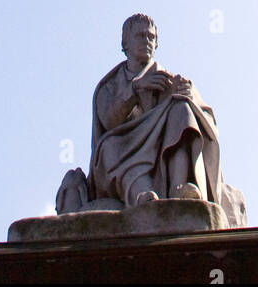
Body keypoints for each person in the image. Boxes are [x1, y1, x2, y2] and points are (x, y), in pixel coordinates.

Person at [84, 14, 245, 222]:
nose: (147, 41)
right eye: (140, 36)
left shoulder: (169, 79)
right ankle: (141, 195)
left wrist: (189, 97)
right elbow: (109, 122)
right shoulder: (109, 85)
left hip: (160, 149)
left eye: (151, 37)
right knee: (110, 148)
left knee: (182, 110)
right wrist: (134, 90)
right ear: (125, 44)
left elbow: (208, 121)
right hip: (124, 149)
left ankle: (180, 185)